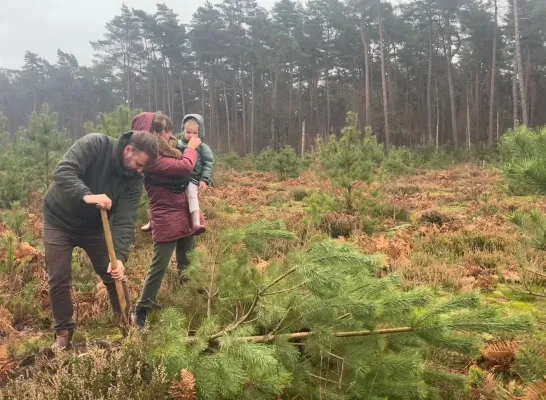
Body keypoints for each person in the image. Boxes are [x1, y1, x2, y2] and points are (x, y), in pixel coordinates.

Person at [43, 127, 159, 350]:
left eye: (144, 168)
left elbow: (125, 219)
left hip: (94, 227)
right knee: (59, 277)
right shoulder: (95, 144)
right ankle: (63, 333)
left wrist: (121, 258)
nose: (139, 171)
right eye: (139, 164)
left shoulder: (134, 180)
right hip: (58, 220)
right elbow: (63, 171)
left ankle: (127, 329)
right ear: (128, 150)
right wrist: (87, 195)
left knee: (114, 274)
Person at [131, 112, 202, 328]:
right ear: (153, 134)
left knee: (186, 262)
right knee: (159, 266)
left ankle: (187, 302)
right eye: (166, 130)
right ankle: (142, 311)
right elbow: (184, 167)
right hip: (166, 217)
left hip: (183, 213)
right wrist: (191, 148)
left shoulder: (169, 150)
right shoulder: (152, 159)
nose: (171, 134)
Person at [140, 114, 214, 234]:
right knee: (158, 195)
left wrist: (204, 179)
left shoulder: (203, 148)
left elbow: (208, 164)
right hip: (178, 178)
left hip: (193, 179)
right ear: (183, 131)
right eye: (188, 132)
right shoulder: (176, 144)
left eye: (195, 133)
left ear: (200, 134)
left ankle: (196, 222)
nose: (191, 135)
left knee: (191, 196)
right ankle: (152, 220)